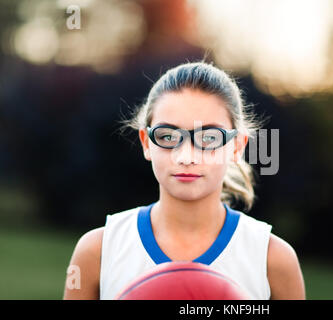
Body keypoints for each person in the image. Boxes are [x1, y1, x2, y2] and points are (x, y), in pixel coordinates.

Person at [63, 61, 306, 300]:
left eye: (209, 137)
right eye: (168, 136)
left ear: (237, 146)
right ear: (146, 143)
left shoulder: (272, 260)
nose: (186, 156)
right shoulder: (98, 251)